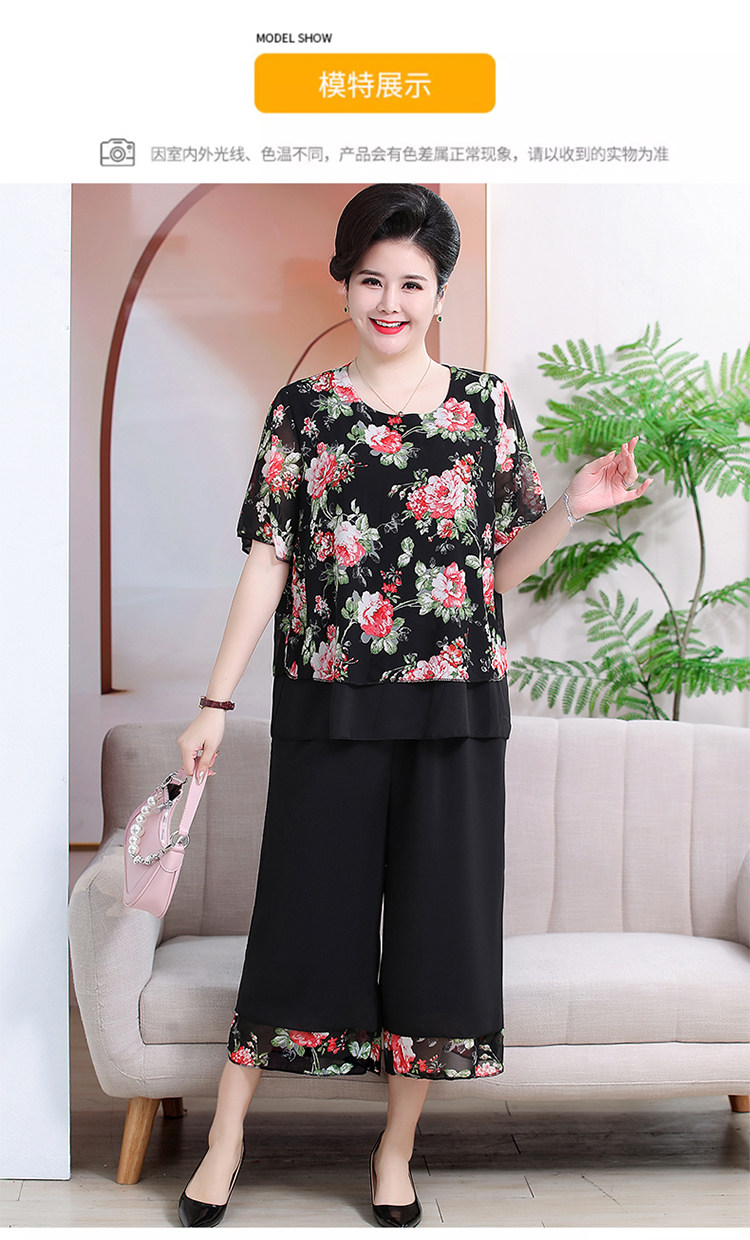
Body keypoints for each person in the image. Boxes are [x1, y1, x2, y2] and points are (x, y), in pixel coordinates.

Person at [174, 183, 652, 1228]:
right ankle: (226, 1138)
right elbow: (269, 560)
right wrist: (214, 700)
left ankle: (394, 1153)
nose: (390, 302)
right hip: (328, 701)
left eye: (413, 283)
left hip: (457, 709)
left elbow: (494, 576)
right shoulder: (305, 411)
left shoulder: (483, 405)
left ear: (441, 293)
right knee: (299, 920)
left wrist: (572, 508)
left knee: (440, 935)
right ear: (345, 283)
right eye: (371, 280)